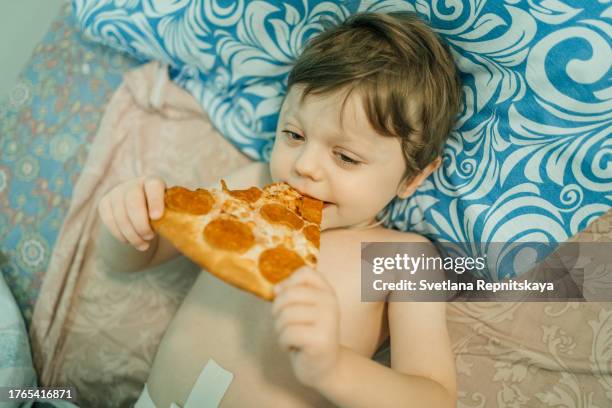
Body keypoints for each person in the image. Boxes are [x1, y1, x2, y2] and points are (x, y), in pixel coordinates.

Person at [96, 11, 462, 407]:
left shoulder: (402, 259)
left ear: (413, 177)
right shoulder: (246, 187)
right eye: (294, 134)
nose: (304, 165)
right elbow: (134, 259)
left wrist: (333, 367)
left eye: (345, 157)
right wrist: (129, 223)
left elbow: (434, 397)